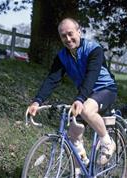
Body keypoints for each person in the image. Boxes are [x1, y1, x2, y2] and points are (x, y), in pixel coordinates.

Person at [27, 18, 118, 175]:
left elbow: (92, 75)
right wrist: (37, 101)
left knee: (86, 111)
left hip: (105, 89)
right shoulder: (62, 56)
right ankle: (79, 170)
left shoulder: (93, 49)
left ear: (79, 31)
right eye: (63, 36)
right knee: (73, 134)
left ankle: (107, 142)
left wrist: (80, 98)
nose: (68, 39)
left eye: (70, 34)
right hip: (86, 94)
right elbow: (52, 79)